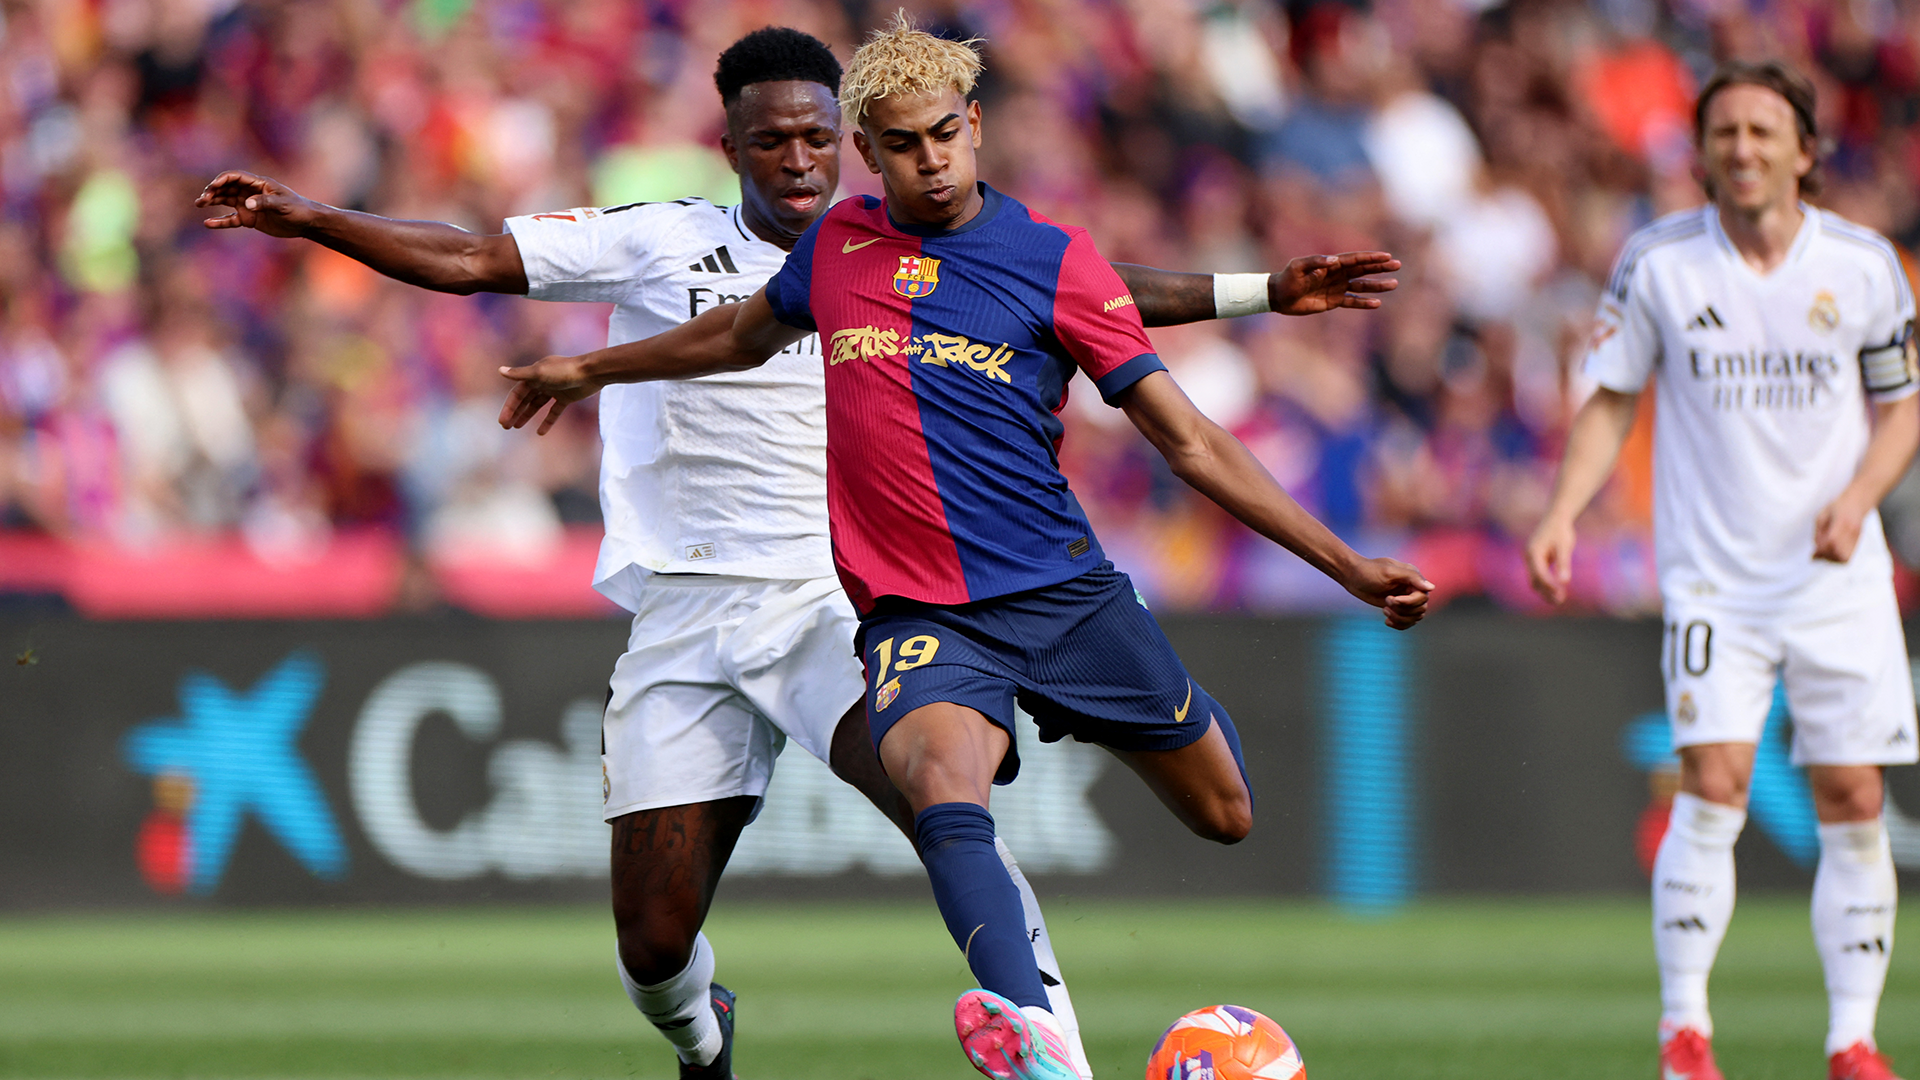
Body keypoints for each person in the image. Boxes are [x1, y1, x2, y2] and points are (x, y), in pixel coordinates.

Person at [199, 25, 1404, 1080]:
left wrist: (1256, 290)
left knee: (948, 802)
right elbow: (469, 261)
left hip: (837, 604)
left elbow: (1080, 286)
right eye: (775, 142)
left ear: (850, 142)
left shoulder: (890, 237)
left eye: (820, 141)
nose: (801, 162)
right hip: (683, 610)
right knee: (653, 945)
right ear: (731, 148)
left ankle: (1048, 1051)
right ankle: (703, 1039)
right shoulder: (683, 242)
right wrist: (307, 215)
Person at [1524, 60, 1917, 1080]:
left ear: (1805, 152)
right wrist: (1565, 509)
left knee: (1853, 795)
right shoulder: (1659, 265)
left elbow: (1904, 404)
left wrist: (1859, 496)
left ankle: (1852, 1042)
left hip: (1836, 576)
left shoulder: (1864, 266)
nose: (1742, 148)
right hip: (1715, 579)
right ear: (1700, 153)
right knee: (1713, 780)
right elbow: (1610, 398)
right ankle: (1685, 1035)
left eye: (1762, 130)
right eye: (1725, 132)